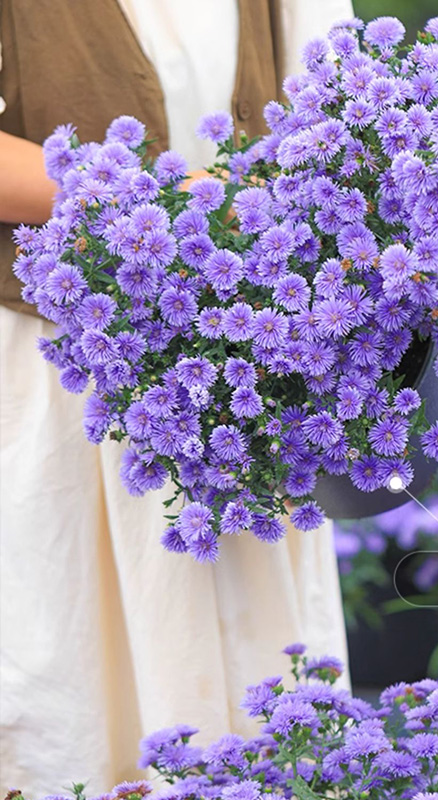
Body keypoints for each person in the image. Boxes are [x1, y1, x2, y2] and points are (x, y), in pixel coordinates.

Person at [0, 0, 352, 792]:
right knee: (76, 682)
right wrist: (164, 205)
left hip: (254, 375)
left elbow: (335, 99)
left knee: (258, 678)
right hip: (60, 369)